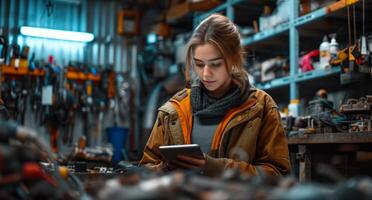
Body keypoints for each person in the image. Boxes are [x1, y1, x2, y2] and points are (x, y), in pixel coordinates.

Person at [139, 13, 290, 177]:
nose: (205, 74)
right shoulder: (174, 110)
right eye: (199, 64)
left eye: (215, 64)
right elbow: (146, 168)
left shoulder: (260, 107)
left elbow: (278, 174)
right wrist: (163, 169)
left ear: (233, 59)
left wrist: (217, 168)